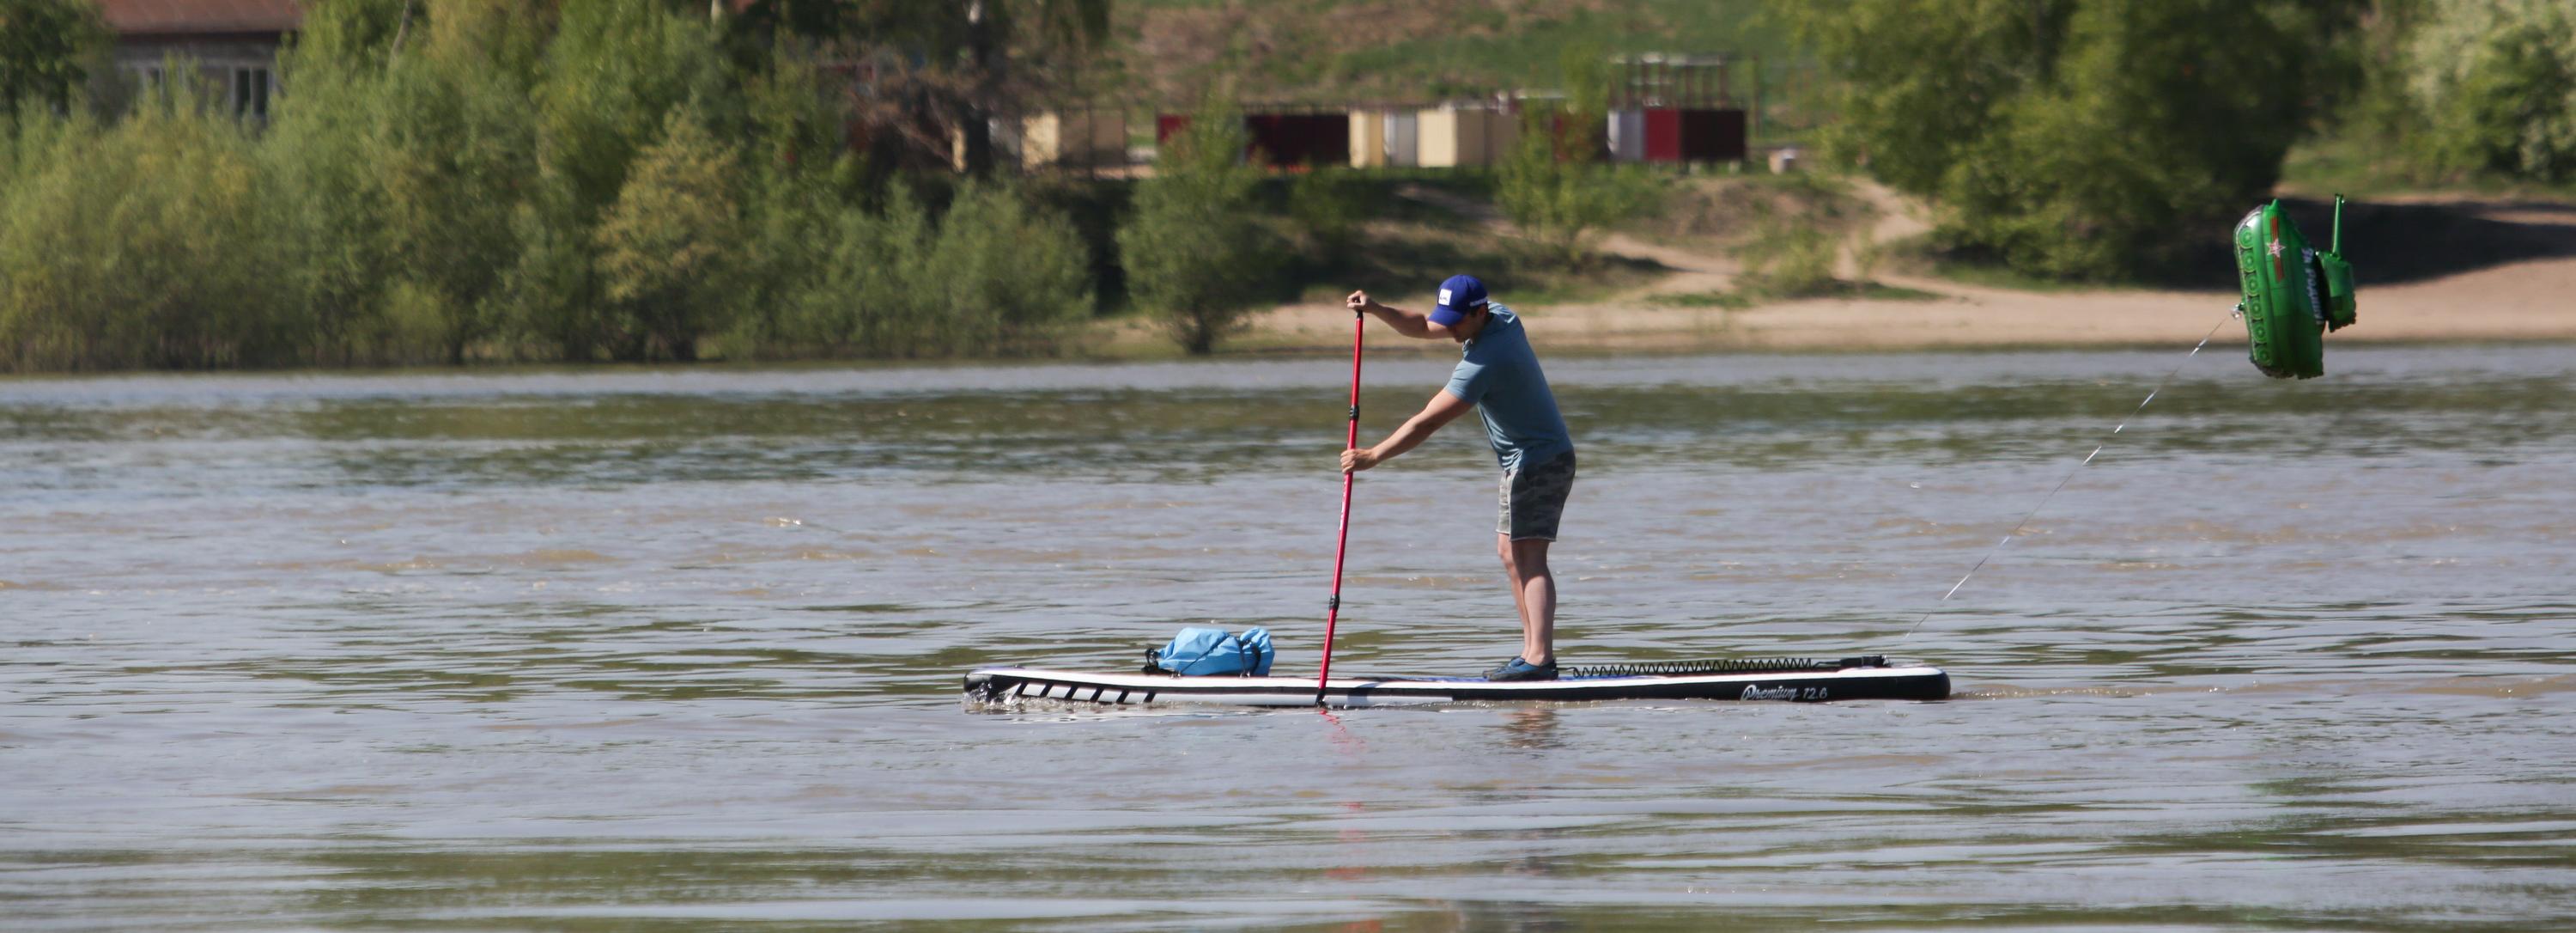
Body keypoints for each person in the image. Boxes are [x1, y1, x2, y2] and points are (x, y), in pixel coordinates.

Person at [1340, 275, 1576, 681]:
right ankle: (1530, 654)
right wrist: (1377, 309)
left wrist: (1374, 455)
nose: (1448, 330)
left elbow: (1426, 422)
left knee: (1530, 557)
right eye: (1445, 318)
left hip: (1539, 461)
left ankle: (1540, 660)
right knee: (1510, 554)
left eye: (1455, 323)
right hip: (1523, 462)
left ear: (1479, 313)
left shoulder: (1485, 362)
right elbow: (1420, 326)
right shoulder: (1500, 316)